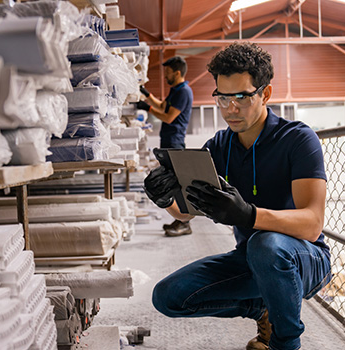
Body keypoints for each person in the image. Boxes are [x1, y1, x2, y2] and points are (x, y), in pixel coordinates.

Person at [143, 42, 331, 350]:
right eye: (223, 98)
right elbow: (186, 212)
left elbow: (312, 223)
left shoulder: (298, 139)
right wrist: (165, 198)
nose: (231, 109)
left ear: (265, 94)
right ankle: (263, 308)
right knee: (168, 296)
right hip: (252, 259)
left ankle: (285, 342)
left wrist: (249, 215)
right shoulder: (218, 146)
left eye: (242, 97)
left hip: (303, 259)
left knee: (264, 244)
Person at [137, 56, 194, 237]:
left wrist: (148, 110)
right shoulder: (176, 90)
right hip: (169, 141)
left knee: (175, 184)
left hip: (175, 142)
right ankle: (181, 220)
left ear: (177, 73)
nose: (165, 77)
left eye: (168, 73)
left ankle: (184, 222)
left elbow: (168, 117)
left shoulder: (184, 91)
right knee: (172, 182)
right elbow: (163, 106)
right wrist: (146, 95)